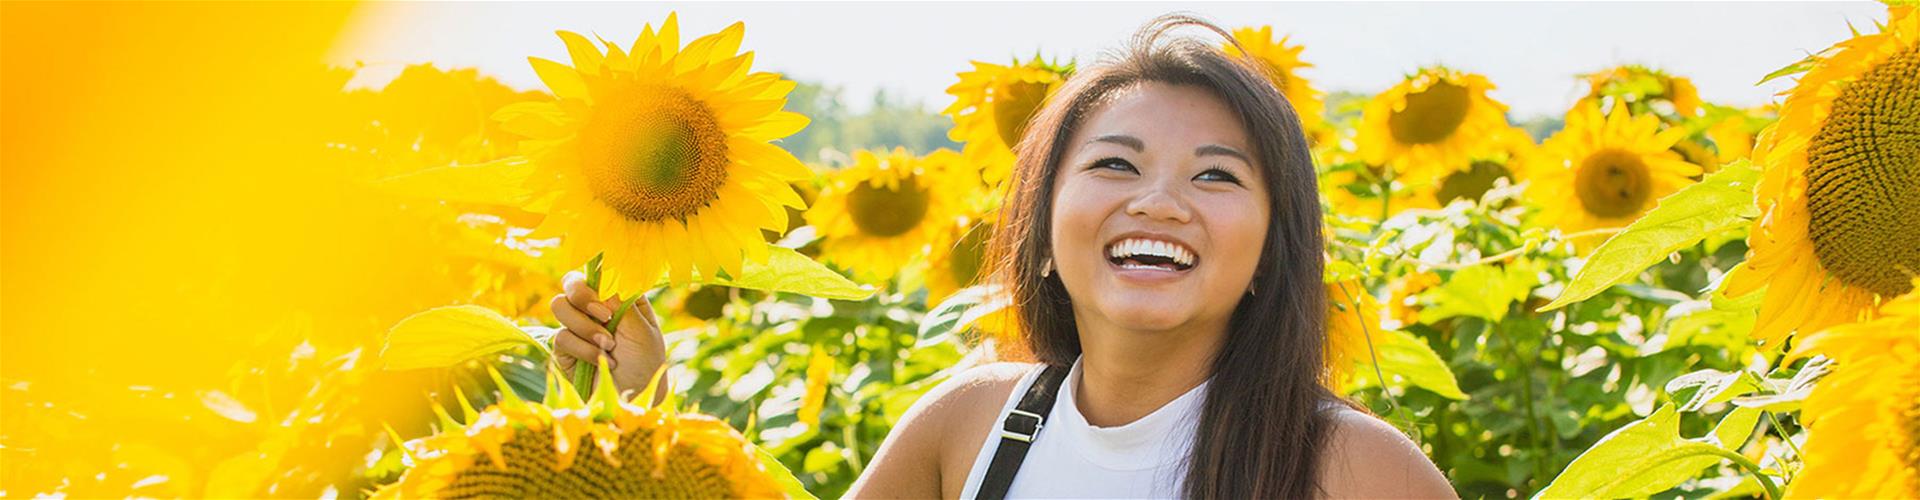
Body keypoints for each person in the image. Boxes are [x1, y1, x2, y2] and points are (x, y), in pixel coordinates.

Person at [549, 14, 1455, 499]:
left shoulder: (1351, 471)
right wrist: (641, 398)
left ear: (1270, 251)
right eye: (1114, 164)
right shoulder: (973, 427)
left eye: (1216, 176)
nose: (1157, 201)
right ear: (1044, 227)